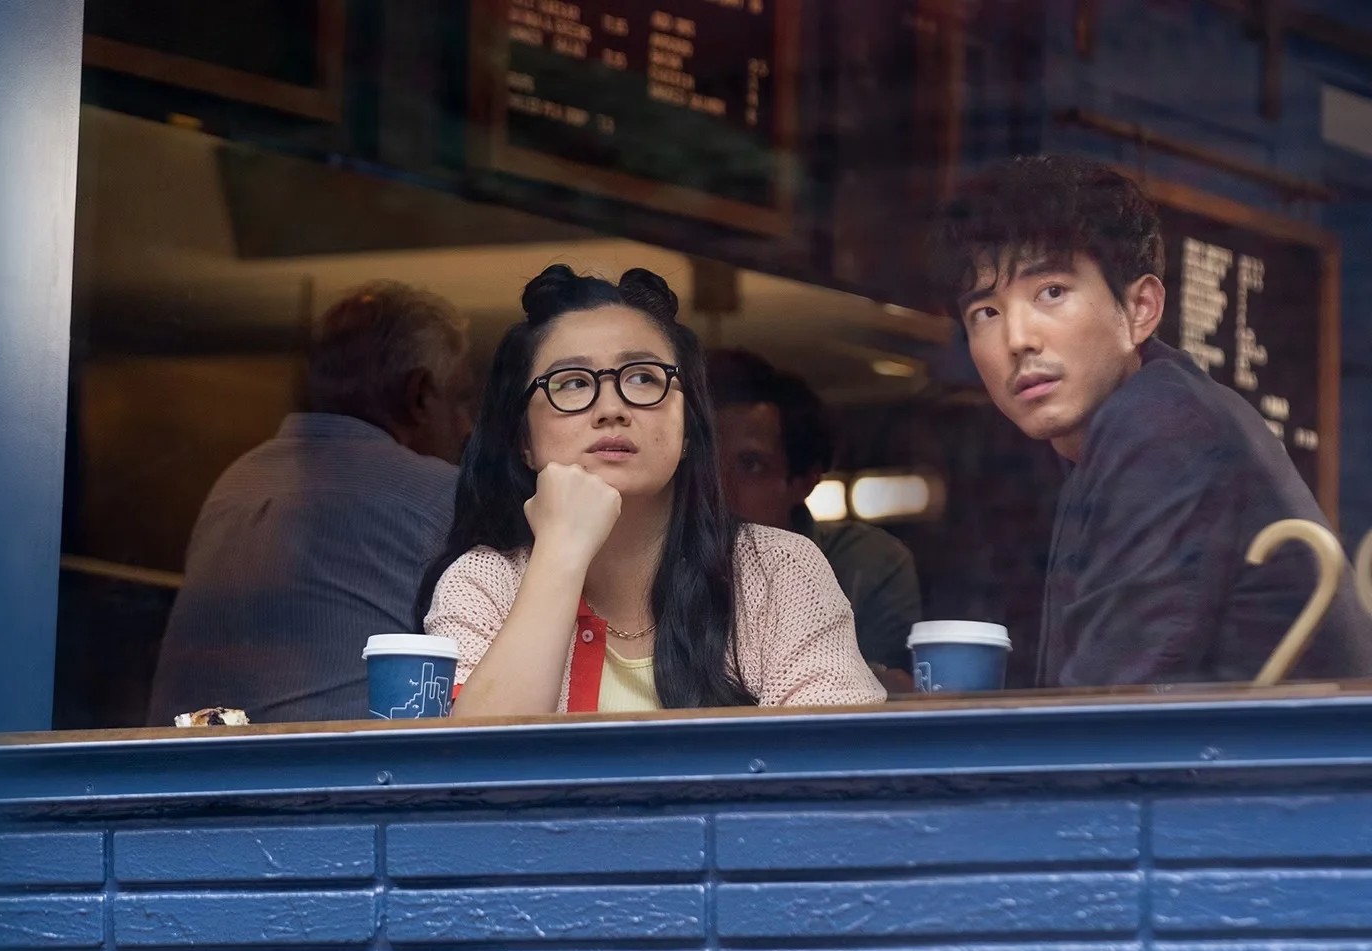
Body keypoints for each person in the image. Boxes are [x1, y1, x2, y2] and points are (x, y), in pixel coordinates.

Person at [928, 155, 1372, 687]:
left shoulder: (1162, 426)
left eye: (1051, 292)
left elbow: (1112, 712)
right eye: (986, 313)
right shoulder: (1131, 425)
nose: (1017, 339)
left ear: (1141, 308)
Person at [419, 265, 884, 714]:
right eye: (573, 383)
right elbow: (481, 773)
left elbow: (835, 764)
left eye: (643, 378)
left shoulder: (779, 572)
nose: (611, 408)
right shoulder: (482, 582)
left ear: (687, 430)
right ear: (524, 441)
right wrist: (560, 553)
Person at [149, 281, 478, 724]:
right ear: (418, 394)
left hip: (176, 770)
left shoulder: (237, 479)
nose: (465, 428)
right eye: (459, 399)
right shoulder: (435, 491)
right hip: (337, 777)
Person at [709, 349, 923, 678]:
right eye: (706, 464)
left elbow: (884, 700)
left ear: (804, 481)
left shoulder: (864, 564)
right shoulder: (663, 562)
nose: (719, 486)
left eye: (750, 466)